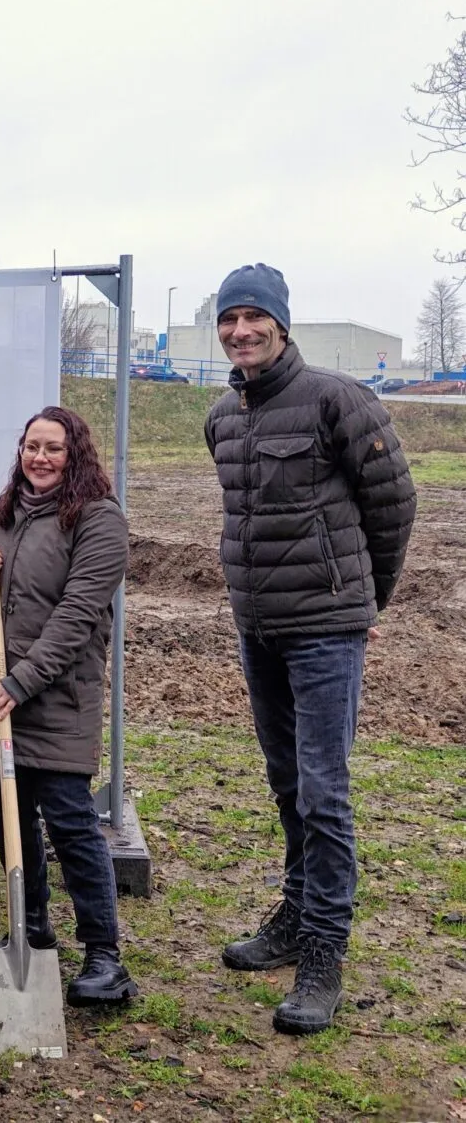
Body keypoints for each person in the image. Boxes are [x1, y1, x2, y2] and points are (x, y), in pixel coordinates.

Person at [205, 264, 416, 1034]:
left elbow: (393, 504)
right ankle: (295, 916)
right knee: (287, 780)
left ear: (282, 325)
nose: (241, 331)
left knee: (325, 792)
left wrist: (365, 601)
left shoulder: (338, 399)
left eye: (255, 317)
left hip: (327, 628)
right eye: (230, 320)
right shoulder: (223, 416)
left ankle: (324, 952)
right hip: (259, 627)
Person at [0, 405, 137, 1006]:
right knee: (12, 818)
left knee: (70, 823)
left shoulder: (99, 520)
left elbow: (78, 615)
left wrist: (23, 682)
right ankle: (30, 927)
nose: (39, 457)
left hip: (56, 696)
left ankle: (105, 957)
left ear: (75, 454)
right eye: (32, 446)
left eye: (53, 448)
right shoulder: (7, 509)